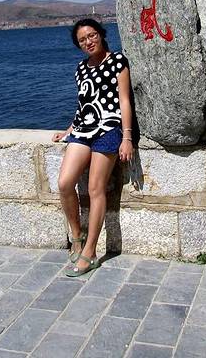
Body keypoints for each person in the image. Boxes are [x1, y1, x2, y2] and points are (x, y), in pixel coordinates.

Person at [52, 18, 134, 277]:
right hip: (83, 129)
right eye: (82, 40)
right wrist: (69, 129)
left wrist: (127, 137)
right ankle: (77, 236)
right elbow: (84, 103)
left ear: (101, 34)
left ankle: (91, 252)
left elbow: (124, 100)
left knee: (95, 188)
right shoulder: (81, 68)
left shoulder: (117, 61)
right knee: (65, 183)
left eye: (91, 35)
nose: (88, 42)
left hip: (109, 129)